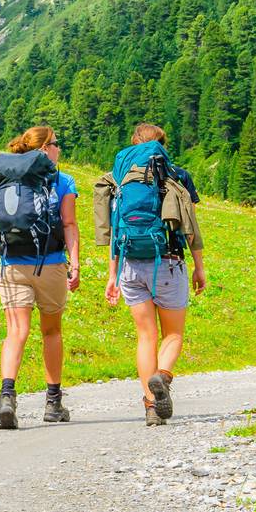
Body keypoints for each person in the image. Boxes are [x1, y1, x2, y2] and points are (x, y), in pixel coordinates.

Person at [96, 123, 205, 426]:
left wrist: (112, 274)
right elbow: (190, 226)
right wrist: (199, 267)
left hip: (130, 265)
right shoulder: (176, 175)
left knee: (146, 336)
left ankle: (151, 408)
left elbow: (117, 227)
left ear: (134, 144)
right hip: (168, 262)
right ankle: (163, 377)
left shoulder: (119, 179)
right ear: (162, 145)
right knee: (173, 333)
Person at [0, 126, 81, 429]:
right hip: (50, 263)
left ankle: (7, 397)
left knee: (16, 331)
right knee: (51, 331)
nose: (59, 149)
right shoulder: (63, 180)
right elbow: (69, 224)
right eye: (56, 144)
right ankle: (53, 402)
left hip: (11, 263)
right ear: (45, 149)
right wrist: (76, 263)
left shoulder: (7, 176)